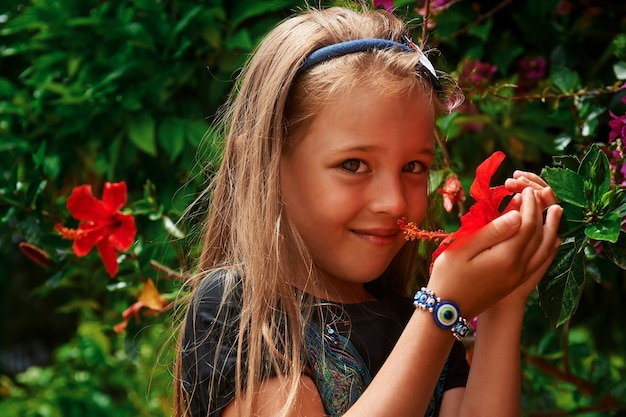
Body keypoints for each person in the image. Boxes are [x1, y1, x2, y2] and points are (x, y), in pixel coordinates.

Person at [174, 5, 563, 417]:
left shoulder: (413, 317)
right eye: (354, 165)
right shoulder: (238, 307)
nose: (394, 202)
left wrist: (503, 303)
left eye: (414, 167)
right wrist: (440, 311)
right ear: (266, 163)